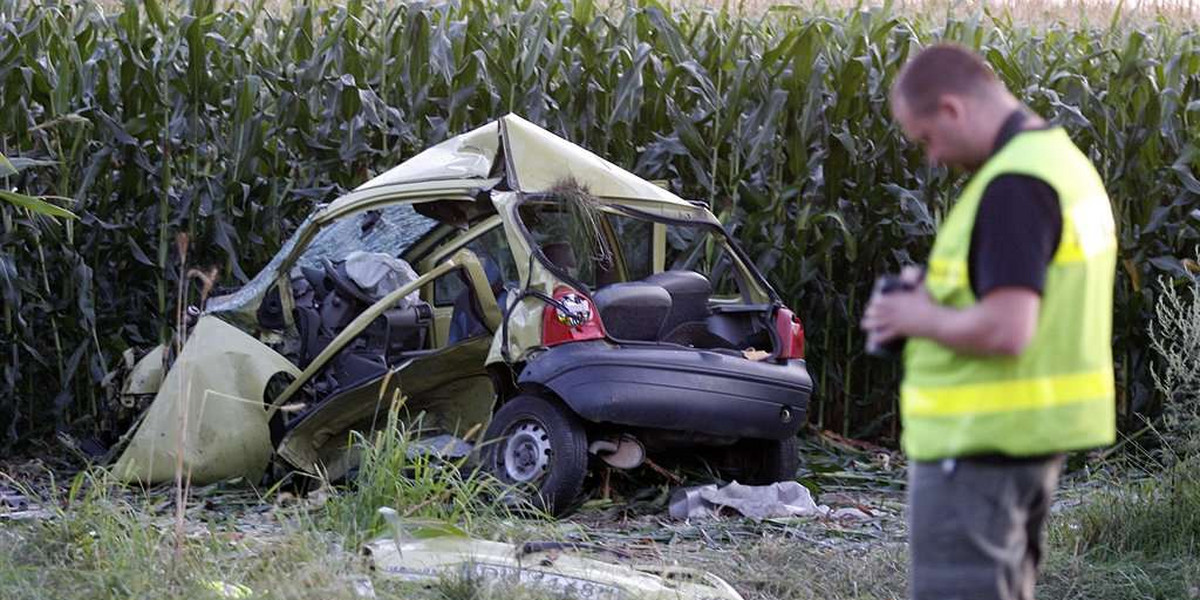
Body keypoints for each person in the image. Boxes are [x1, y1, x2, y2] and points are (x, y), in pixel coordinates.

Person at [861, 43, 1117, 600]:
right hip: (1017, 447)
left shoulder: (1013, 186)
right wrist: (936, 294)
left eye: (926, 139)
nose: (931, 158)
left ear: (951, 109)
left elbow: (1009, 328)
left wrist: (916, 315)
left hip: (977, 453)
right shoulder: (1057, 163)